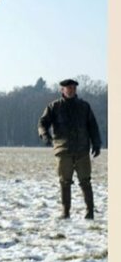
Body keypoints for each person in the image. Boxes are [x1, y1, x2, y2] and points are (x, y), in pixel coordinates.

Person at [38, 79, 101, 219]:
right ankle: (65, 212)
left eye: (73, 88)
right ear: (62, 90)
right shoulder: (54, 106)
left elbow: (93, 126)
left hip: (82, 150)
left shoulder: (84, 106)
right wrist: (45, 135)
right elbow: (42, 123)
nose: (71, 90)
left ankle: (90, 212)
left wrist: (96, 144)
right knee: (64, 182)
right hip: (63, 150)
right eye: (68, 88)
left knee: (85, 181)